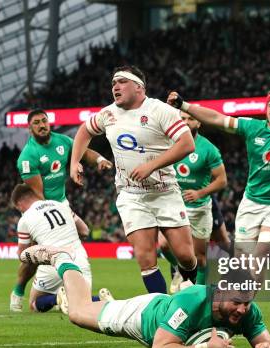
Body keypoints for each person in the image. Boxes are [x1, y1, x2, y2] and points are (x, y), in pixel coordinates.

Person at [20, 245, 270, 348]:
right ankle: (62, 258)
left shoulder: (247, 308)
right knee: (78, 312)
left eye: (247, 303)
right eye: (237, 303)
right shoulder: (192, 301)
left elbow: (268, 344)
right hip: (141, 316)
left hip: (165, 310)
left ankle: (106, 301)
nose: (242, 310)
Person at [70, 65, 198, 294]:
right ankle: (160, 308)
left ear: (139, 87)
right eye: (113, 83)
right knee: (145, 258)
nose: (115, 87)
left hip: (165, 190)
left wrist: (151, 165)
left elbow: (187, 144)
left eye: (121, 82)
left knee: (186, 256)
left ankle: (188, 285)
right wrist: (74, 162)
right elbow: (84, 131)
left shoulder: (160, 110)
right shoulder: (108, 114)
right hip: (131, 194)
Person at [167, 89, 270, 278]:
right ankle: (244, 304)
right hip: (251, 203)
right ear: (266, 109)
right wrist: (184, 105)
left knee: (259, 256)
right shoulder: (251, 127)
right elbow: (216, 118)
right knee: (243, 264)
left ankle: (242, 300)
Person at [9, 109, 113, 312]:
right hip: (41, 209)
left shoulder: (62, 141)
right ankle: (18, 292)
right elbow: (38, 195)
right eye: (36, 123)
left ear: (49, 123)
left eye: (44, 121)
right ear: (29, 128)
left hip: (62, 205)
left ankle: (63, 292)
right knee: (34, 258)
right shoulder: (28, 157)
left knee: (81, 234)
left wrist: (99, 160)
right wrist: (50, 223)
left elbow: (83, 153)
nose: (42, 125)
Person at [11, 183, 112, 313]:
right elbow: (85, 231)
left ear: (19, 204)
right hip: (79, 257)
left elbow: (23, 255)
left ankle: (56, 298)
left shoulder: (25, 219)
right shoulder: (61, 205)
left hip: (52, 260)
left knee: (34, 304)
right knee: (83, 303)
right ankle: (101, 300)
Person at [157, 111, 227, 290]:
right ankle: (179, 268)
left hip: (199, 208)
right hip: (173, 205)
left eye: (191, 119)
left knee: (200, 257)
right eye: (183, 119)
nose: (186, 122)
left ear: (199, 123)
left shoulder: (208, 148)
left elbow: (222, 180)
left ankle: (199, 293)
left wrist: (200, 193)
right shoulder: (168, 143)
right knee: (164, 245)